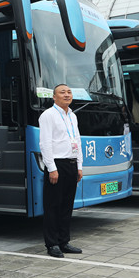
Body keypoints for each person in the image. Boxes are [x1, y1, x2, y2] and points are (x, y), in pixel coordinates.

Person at [39, 84, 83, 257]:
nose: (67, 95)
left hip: (71, 164)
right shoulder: (48, 115)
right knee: (53, 206)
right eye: (62, 92)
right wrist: (52, 168)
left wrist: (79, 166)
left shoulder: (72, 115)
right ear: (54, 97)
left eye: (69, 92)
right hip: (57, 165)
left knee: (67, 205)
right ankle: (52, 244)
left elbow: (77, 141)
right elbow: (45, 143)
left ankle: (64, 241)